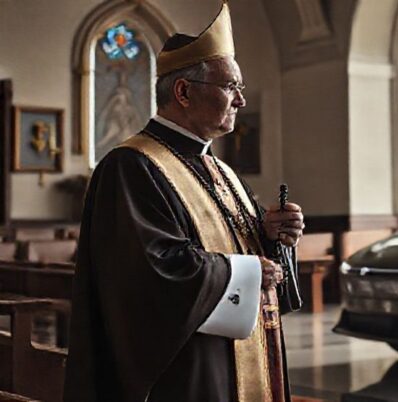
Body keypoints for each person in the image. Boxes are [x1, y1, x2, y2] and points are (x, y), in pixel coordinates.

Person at [63, 2, 304, 401]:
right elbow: (150, 274)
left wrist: (272, 236)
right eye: (231, 87)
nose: (241, 101)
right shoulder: (130, 166)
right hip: (190, 369)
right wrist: (246, 272)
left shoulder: (221, 170)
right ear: (184, 92)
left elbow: (246, 255)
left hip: (246, 357)